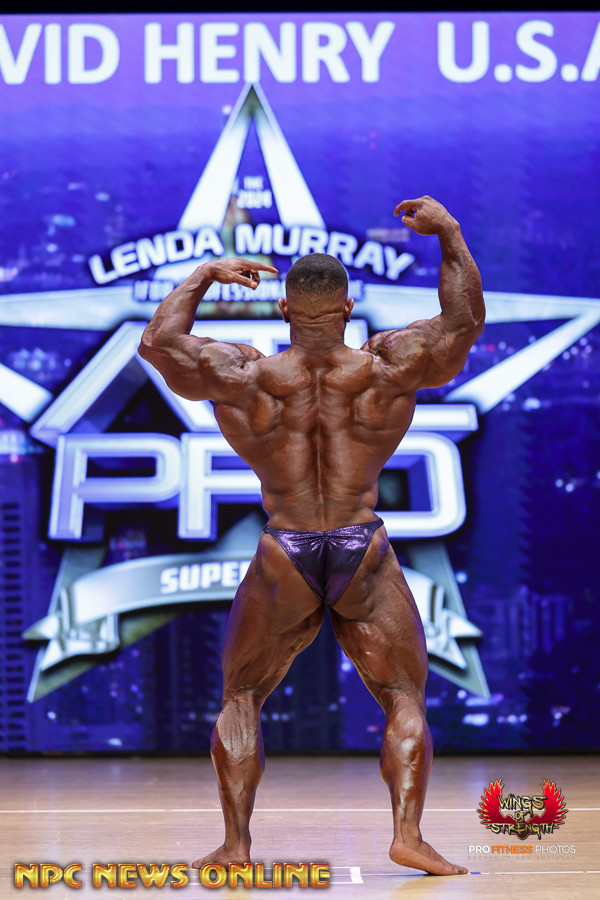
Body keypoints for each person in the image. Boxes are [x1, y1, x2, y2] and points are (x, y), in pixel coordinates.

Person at [138, 195, 485, 876]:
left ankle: (237, 845)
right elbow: (464, 320)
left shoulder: (245, 376)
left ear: (283, 309)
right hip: (361, 546)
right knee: (403, 696)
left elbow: (158, 344)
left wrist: (203, 275)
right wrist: (448, 232)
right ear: (348, 309)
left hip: (286, 548)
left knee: (242, 696)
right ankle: (407, 835)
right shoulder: (390, 367)